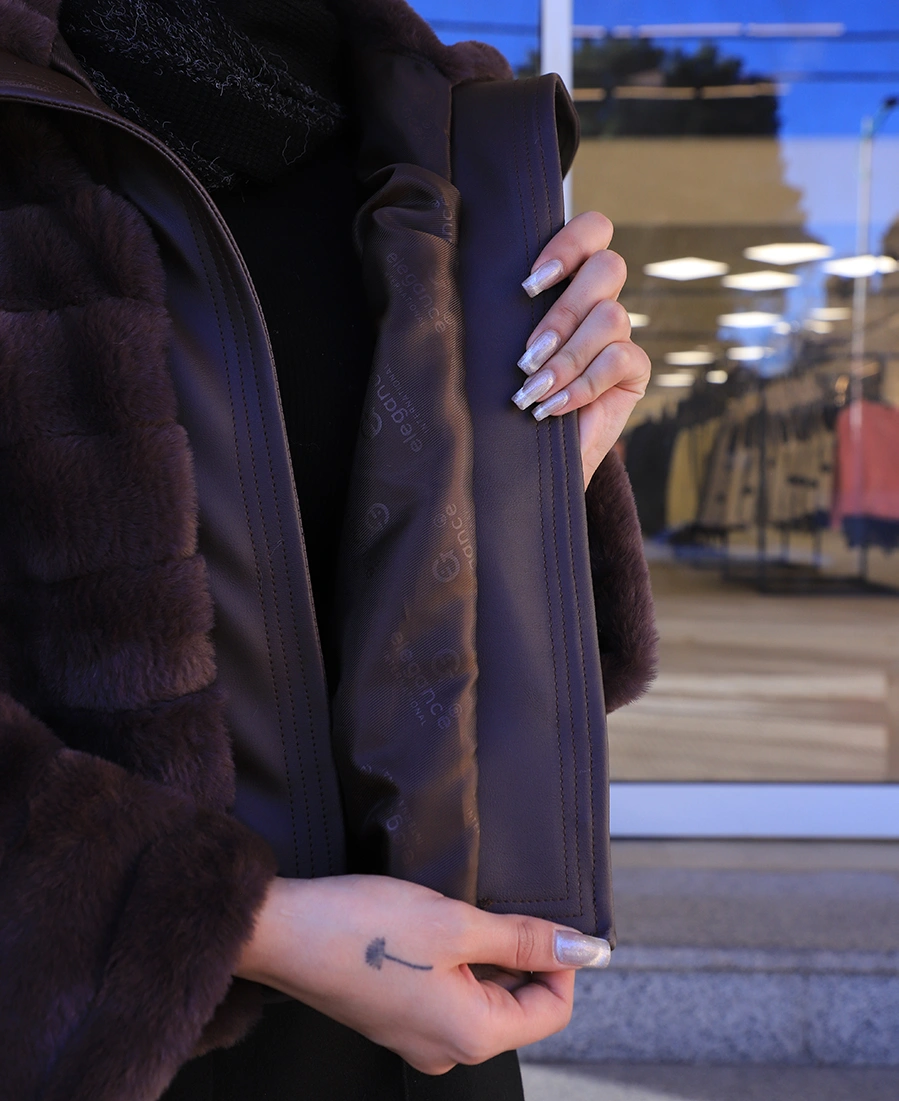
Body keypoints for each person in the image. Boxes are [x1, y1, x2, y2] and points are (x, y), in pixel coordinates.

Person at [0, 0, 654, 1098]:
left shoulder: (434, 129)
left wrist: (544, 481)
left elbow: (450, 640)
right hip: (97, 1040)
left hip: (425, 1025)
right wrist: (249, 923)